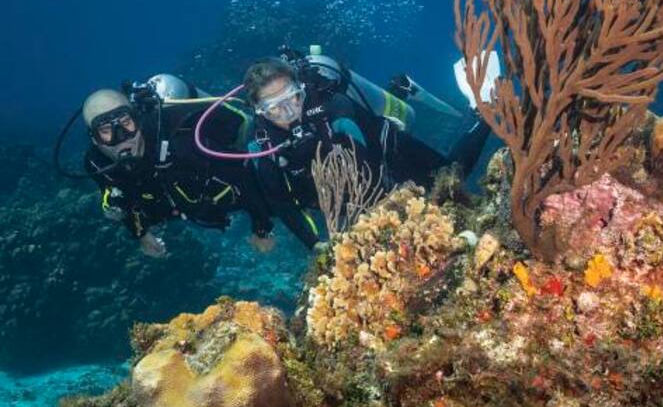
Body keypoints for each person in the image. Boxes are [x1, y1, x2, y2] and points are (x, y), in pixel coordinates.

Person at [243, 46, 492, 232]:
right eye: (274, 107)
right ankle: (400, 90)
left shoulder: (331, 105)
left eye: (292, 97)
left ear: (301, 89)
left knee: (449, 179)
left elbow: (366, 169)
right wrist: (317, 247)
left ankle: (486, 111)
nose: (288, 112)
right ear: (258, 109)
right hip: (343, 198)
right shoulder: (261, 143)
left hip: (379, 148)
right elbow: (282, 204)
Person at [82, 75, 282, 257]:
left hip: (213, 190)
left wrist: (262, 228)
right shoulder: (96, 163)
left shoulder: (181, 142)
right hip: (176, 202)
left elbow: (243, 174)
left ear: (138, 120)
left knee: (276, 195)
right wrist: (141, 235)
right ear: (94, 138)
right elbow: (119, 196)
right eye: (106, 130)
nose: (121, 137)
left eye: (126, 123)